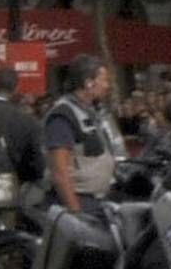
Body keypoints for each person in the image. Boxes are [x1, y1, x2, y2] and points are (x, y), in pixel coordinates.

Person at [43, 54, 123, 210]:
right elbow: (60, 171)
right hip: (80, 202)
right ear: (89, 83)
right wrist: (76, 214)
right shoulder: (63, 115)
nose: (107, 86)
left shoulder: (92, 111)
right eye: (104, 80)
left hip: (97, 199)